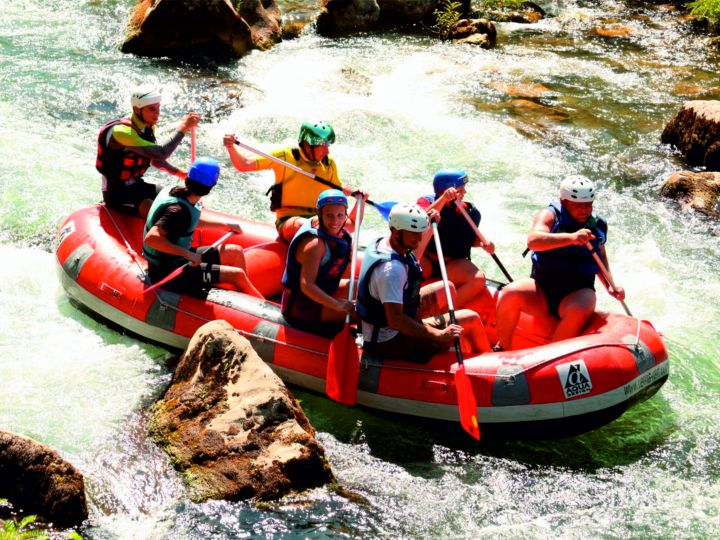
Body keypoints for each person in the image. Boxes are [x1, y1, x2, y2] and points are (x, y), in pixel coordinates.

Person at [494, 176, 625, 350]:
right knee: (510, 293)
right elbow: (534, 241)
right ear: (564, 201)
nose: (584, 210)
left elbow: (599, 253)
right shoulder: (549, 215)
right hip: (542, 287)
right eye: (578, 204)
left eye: (589, 204)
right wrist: (571, 238)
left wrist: (610, 284)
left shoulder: (598, 224)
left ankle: (550, 358)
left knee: (580, 307)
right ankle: (502, 347)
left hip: (577, 290)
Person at [356, 203, 491, 363]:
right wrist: (438, 334)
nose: (419, 238)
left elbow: (414, 256)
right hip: (389, 339)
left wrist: (431, 225)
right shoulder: (392, 270)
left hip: (395, 317)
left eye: (420, 232)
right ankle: (488, 362)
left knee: (446, 287)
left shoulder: (385, 243)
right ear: (396, 231)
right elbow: (395, 320)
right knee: (471, 318)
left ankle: (449, 342)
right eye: (413, 233)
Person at [223, 121, 364, 243]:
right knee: (305, 225)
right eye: (323, 145)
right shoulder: (285, 157)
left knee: (347, 226)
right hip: (289, 221)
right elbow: (245, 165)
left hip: (320, 218)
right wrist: (231, 147)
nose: (327, 151)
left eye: (328, 145)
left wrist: (357, 198)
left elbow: (338, 194)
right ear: (307, 144)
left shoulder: (328, 164)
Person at [142, 157, 263, 298]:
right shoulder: (177, 210)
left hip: (178, 259)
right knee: (237, 275)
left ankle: (241, 298)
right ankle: (264, 310)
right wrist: (189, 255)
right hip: (167, 270)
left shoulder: (177, 192)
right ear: (211, 186)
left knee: (235, 251)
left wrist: (224, 226)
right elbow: (151, 239)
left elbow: (187, 222)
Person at [97, 85, 200, 217]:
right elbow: (161, 153)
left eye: (158, 108)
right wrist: (184, 127)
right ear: (136, 109)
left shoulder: (148, 127)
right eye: (151, 109)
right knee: (158, 210)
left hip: (137, 185)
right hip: (116, 192)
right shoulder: (122, 132)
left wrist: (182, 174)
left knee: (182, 197)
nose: (157, 113)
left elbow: (155, 160)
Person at [281, 189, 363, 335]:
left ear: (345, 214)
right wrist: (337, 305)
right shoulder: (314, 244)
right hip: (302, 306)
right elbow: (307, 285)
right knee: (365, 315)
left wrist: (360, 201)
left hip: (324, 292)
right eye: (329, 215)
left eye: (340, 215)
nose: (335, 221)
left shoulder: (338, 227)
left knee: (362, 288)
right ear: (320, 214)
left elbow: (354, 222)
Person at [416, 167, 495, 309]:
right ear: (445, 191)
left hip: (451, 264)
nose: (465, 193)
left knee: (478, 279)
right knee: (408, 268)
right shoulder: (425, 202)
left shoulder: (470, 212)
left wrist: (483, 244)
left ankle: (445, 313)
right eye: (461, 190)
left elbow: (468, 240)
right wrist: (443, 200)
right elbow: (421, 220)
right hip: (426, 258)